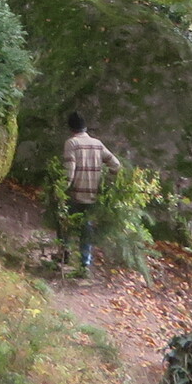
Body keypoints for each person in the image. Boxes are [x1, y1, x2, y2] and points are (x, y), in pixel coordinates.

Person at [62, 112, 122, 274]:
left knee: (65, 223)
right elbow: (116, 165)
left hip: (75, 194)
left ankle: (64, 254)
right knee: (86, 228)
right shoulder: (97, 144)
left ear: (70, 128)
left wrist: (61, 189)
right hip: (93, 194)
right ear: (85, 127)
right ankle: (85, 263)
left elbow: (69, 170)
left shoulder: (71, 143)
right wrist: (107, 182)